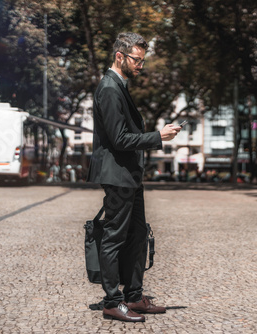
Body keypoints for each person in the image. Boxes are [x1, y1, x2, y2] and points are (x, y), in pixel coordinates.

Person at [86, 32, 181, 322]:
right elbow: (117, 138)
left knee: (138, 233)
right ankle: (113, 301)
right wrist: (157, 136)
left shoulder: (119, 86)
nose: (140, 66)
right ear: (119, 56)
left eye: (142, 60)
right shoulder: (110, 88)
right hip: (116, 174)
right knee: (114, 237)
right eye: (136, 60)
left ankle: (134, 296)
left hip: (129, 174)